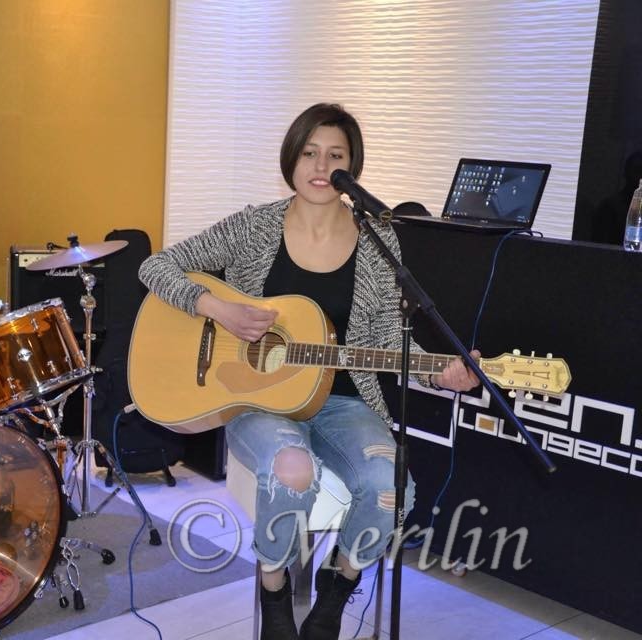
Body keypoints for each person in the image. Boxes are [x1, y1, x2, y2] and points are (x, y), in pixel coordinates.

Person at [139, 103, 480, 640]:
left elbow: (387, 340)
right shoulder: (255, 226)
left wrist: (438, 373)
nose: (321, 166)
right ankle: (273, 586)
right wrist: (219, 309)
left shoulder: (378, 240)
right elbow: (154, 265)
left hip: (345, 401)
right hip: (255, 400)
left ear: (352, 168)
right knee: (293, 470)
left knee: (391, 488)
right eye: (309, 153)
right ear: (291, 160)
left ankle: (338, 587)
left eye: (335, 156)